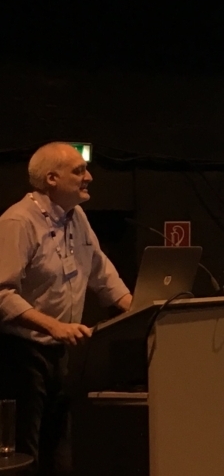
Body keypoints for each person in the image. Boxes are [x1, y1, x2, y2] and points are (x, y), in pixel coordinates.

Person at [0, 142, 132, 475]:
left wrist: (139, 309)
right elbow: (1, 294)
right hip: (21, 355)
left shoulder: (77, 217)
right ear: (52, 179)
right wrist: (53, 326)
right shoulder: (18, 221)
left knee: (60, 453)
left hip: (60, 355)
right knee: (26, 455)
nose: (89, 177)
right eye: (79, 171)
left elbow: (100, 271)